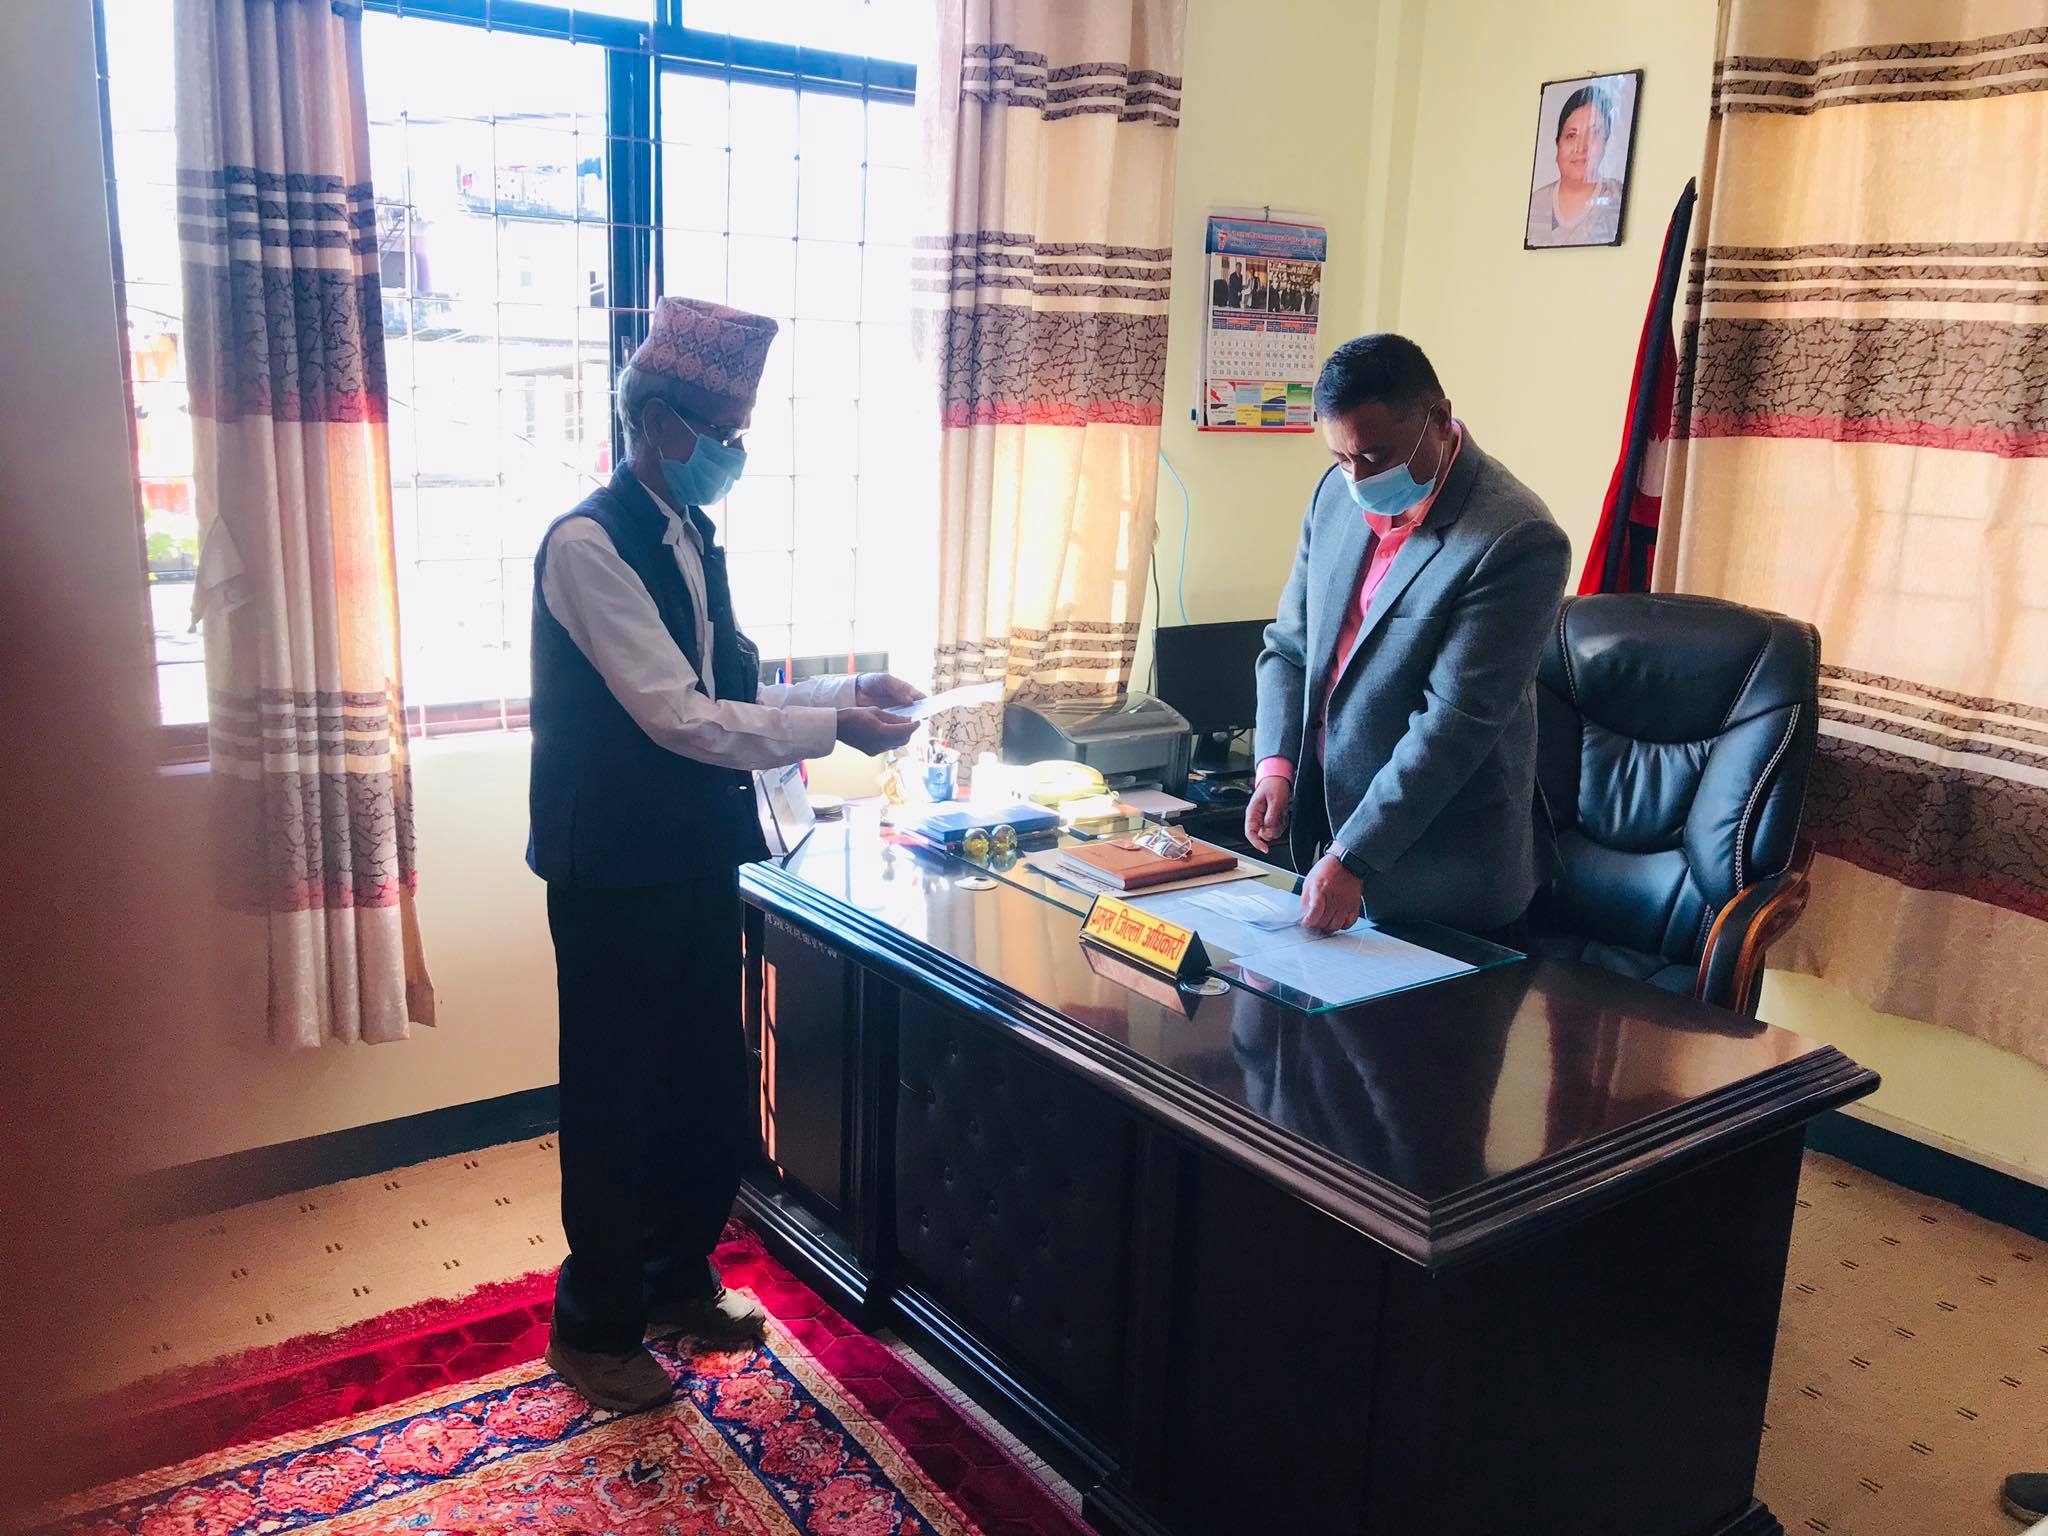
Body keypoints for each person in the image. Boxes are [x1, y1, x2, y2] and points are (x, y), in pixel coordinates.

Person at [527, 294, 921, 1413]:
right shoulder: (588, 546)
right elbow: (677, 715)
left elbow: (732, 685)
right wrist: (834, 729)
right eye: (724, 432)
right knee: (619, 1097)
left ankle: (674, 1280)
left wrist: (850, 688)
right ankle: (595, 1325)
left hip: (697, 852)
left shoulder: (690, 534)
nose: (736, 453)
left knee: (703, 1080)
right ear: (658, 422)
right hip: (612, 869)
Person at [1246, 333, 1571, 939]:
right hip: (1329, 848)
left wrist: (1356, 855)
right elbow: (1290, 649)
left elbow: (1454, 723)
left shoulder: (1516, 537)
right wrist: (1276, 766)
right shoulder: (1334, 495)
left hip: (1445, 874)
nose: (1357, 477)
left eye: (1374, 457)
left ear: (1439, 420)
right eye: (1341, 457)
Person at [1526, 82, 1625, 247]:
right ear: (1558, 144)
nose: (1580, 148)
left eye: (1593, 134)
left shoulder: (1618, 198)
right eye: (1571, 135)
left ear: (1606, 142)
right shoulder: (1535, 203)